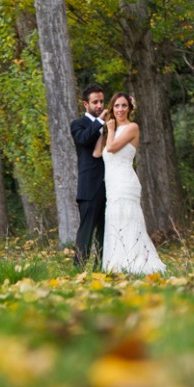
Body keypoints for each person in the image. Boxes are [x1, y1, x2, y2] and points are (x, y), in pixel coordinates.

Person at [93, 92, 165, 275]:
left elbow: (112, 148)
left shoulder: (132, 127)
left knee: (127, 219)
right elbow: (98, 154)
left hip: (125, 182)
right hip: (112, 183)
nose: (120, 110)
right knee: (114, 221)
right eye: (116, 106)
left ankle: (135, 262)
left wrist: (109, 128)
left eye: (124, 105)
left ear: (130, 108)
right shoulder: (110, 131)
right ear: (112, 108)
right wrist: (101, 127)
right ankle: (116, 265)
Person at [70, 84, 108, 269]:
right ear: (86, 104)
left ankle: (100, 268)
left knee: (105, 232)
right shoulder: (78, 124)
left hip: (110, 185)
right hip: (89, 187)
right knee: (86, 231)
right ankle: (78, 269)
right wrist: (100, 121)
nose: (99, 105)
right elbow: (84, 139)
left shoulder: (109, 125)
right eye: (95, 102)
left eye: (101, 101)